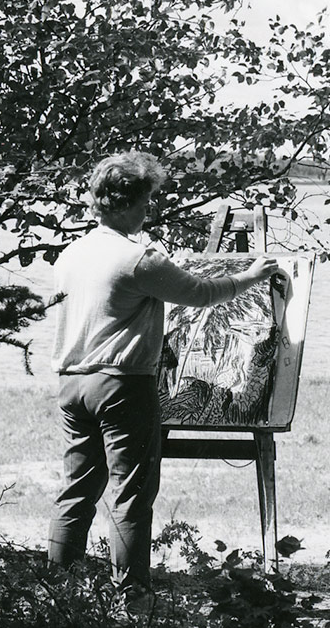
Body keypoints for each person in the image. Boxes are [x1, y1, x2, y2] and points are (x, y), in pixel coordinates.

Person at [46, 152, 283, 594]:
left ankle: (58, 590)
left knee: (76, 491)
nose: (148, 210)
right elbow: (202, 293)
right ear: (127, 203)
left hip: (72, 384)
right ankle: (130, 594)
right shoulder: (138, 259)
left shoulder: (72, 254)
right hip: (122, 385)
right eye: (145, 202)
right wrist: (251, 275)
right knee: (130, 495)